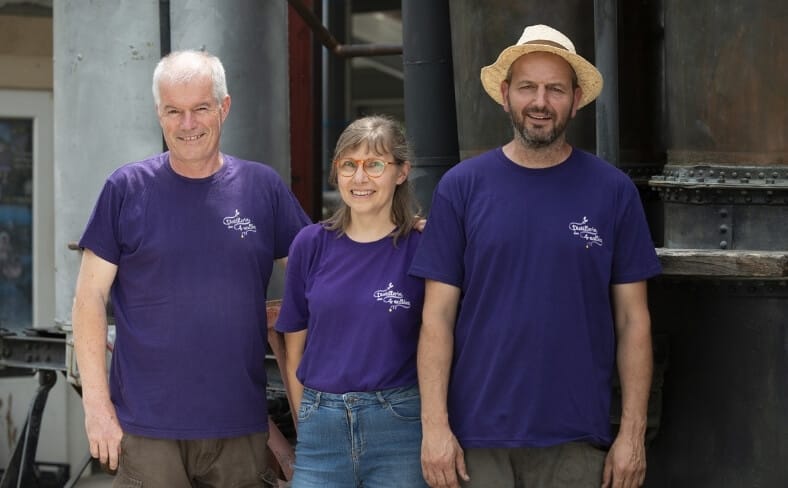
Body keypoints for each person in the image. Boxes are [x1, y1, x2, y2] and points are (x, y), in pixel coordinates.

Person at [409, 24, 662, 488]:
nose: (540, 102)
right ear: (505, 95)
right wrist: (435, 428)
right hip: (475, 440)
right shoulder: (462, 188)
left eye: (555, 89)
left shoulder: (612, 192)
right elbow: (437, 318)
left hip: (577, 439)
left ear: (576, 99)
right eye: (527, 87)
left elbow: (633, 321)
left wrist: (632, 434)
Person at [71, 50, 310, 487]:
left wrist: (397, 233)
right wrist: (97, 408)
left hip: (239, 424)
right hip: (147, 430)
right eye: (173, 111)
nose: (187, 124)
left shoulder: (263, 188)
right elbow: (88, 299)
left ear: (224, 107)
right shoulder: (125, 189)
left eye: (200, 108)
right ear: (158, 113)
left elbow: (318, 272)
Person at [275, 115, 428, 487]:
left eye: (375, 164)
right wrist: (307, 420)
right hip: (320, 428)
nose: (360, 178)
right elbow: (295, 351)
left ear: (401, 172)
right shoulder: (310, 244)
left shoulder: (424, 247)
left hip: (400, 425)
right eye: (349, 165)